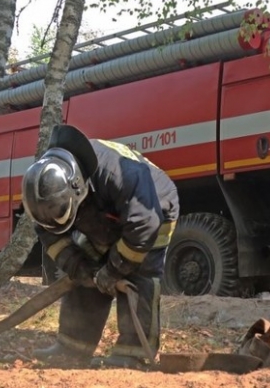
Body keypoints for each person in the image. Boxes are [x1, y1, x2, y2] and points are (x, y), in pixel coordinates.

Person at [21, 124, 179, 369]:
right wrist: (82, 269)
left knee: (139, 274)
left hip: (153, 210)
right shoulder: (44, 189)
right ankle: (72, 348)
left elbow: (144, 226)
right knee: (83, 273)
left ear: (76, 186)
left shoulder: (119, 175)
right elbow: (52, 237)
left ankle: (132, 353)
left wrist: (113, 271)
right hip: (103, 211)